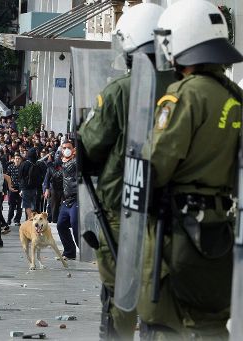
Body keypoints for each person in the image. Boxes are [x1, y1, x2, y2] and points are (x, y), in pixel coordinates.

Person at [138, 0, 243, 338]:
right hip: (221, 228)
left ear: (178, 41)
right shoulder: (235, 98)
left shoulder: (183, 96)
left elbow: (157, 164)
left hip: (179, 231)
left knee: (162, 319)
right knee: (210, 323)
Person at [78, 3, 173, 339]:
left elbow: (90, 145)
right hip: (172, 212)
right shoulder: (182, 88)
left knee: (119, 293)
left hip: (125, 206)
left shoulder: (120, 90)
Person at [19, 147, 44, 220]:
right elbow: (41, 178)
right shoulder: (38, 164)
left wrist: (21, 189)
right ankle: (34, 219)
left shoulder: (24, 164)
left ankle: (30, 219)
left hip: (25, 188)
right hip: (35, 188)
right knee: (34, 205)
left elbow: (20, 177)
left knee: (27, 205)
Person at [6, 153, 23, 226]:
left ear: (21, 160)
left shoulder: (23, 167)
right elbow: (7, 177)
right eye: (16, 158)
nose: (17, 160)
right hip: (12, 187)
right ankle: (9, 219)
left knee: (20, 205)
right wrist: (9, 186)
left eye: (19, 159)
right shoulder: (10, 167)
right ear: (14, 159)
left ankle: (17, 220)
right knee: (11, 205)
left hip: (20, 188)